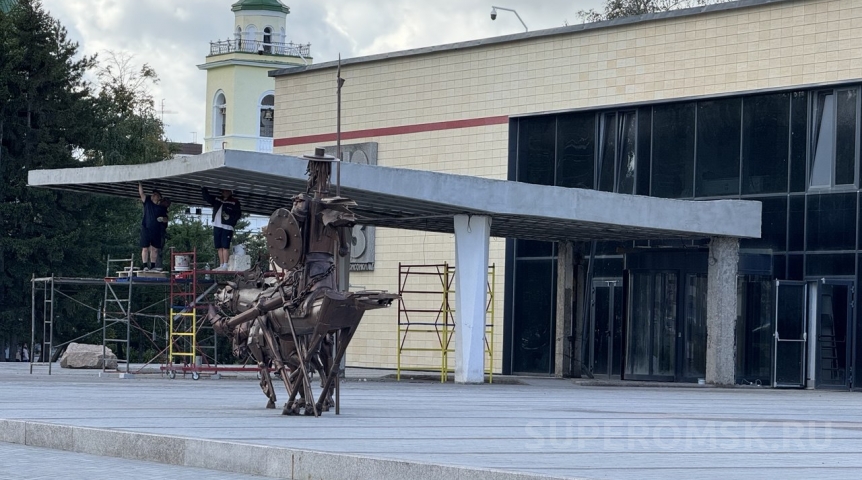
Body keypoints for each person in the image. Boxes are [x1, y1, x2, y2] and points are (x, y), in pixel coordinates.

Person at [202, 187, 242, 271]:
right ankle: (221, 265)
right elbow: (208, 198)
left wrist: (230, 219)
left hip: (227, 226)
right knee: (219, 246)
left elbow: (238, 214)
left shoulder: (235, 202)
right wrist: (203, 189)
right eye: (224, 191)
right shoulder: (217, 199)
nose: (225, 192)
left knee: (225, 246)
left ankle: (225, 265)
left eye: (227, 191)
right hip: (217, 225)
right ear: (222, 192)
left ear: (231, 192)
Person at [138, 183, 169, 271]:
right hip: (146, 228)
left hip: (156, 230)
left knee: (154, 249)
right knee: (145, 248)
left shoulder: (161, 208)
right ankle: (145, 266)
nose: (153, 195)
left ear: (158, 197)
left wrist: (162, 219)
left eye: (155, 194)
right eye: (153, 194)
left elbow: (166, 219)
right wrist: (140, 184)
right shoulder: (147, 202)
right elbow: (141, 193)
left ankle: (153, 266)